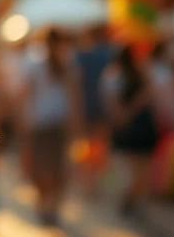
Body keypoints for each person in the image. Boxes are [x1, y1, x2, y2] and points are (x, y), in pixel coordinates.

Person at [21, 28, 82, 226]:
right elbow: (75, 96)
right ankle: (50, 206)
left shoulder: (42, 63)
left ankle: (47, 205)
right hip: (53, 122)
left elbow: (27, 95)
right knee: (55, 169)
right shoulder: (64, 63)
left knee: (47, 169)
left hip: (45, 123)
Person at [105, 46, 160, 217]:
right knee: (143, 167)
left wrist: (123, 116)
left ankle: (131, 197)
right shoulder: (143, 74)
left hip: (127, 126)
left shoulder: (113, 76)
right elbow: (150, 96)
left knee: (128, 167)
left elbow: (111, 102)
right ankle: (135, 198)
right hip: (143, 126)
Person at [75, 25, 114, 198]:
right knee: (100, 145)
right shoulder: (109, 55)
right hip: (103, 105)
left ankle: (86, 181)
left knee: (85, 144)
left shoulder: (81, 56)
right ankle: (95, 182)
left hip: (85, 105)